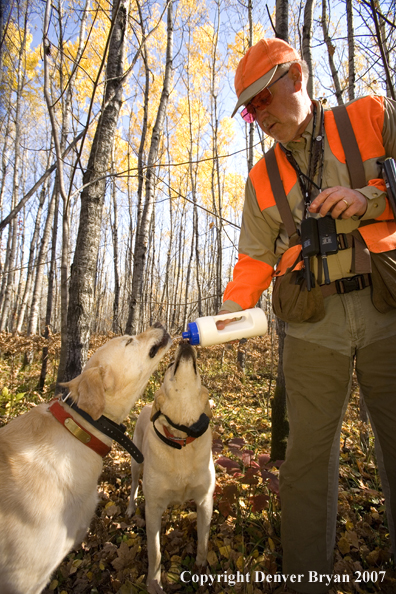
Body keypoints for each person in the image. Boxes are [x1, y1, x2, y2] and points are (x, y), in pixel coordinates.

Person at [217, 37, 396, 594]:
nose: (258, 115)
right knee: (304, 464)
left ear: (296, 77)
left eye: (264, 99)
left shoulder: (370, 115)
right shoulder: (261, 177)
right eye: (251, 109)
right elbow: (252, 259)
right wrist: (228, 314)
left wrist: (369, 196)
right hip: (312, 324)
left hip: (387, 309)